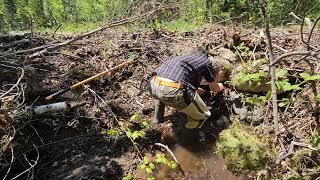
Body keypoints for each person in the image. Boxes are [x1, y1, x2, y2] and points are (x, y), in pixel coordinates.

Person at [147, 48, 232, 129]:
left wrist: (196, 91)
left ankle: (157, 119)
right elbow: (214, 88)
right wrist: (220, 87)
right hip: (171, 89)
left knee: (162, 90)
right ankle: (189, 136)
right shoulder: (205, 61)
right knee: (203, 115)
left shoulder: (183, 59)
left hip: (153, 84)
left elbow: (180, 81)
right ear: (206, 55)